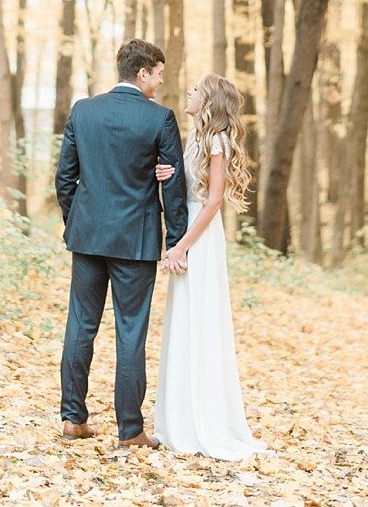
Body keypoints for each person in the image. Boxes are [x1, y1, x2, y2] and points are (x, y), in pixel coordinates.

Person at [55, 38, 189, 448]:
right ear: (142, 72)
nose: (160, 84)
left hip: (89, 237)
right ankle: (130, 430)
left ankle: (73, 418)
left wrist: (77, 222)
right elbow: (176, 187)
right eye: (159, 75)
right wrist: (176, 240)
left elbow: (64, 179)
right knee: (130, 332)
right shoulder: (160, 119)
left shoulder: (84, 110)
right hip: (136, 241)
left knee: (81, 324)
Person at [154, 73, 269, 460]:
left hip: (200, 239)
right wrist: (164, 176)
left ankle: (202, 422)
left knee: (199, 321)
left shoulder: (216, 139)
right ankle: (182, 418)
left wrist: (182, 247)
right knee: (185, 321)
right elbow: (193, 186)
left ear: (209, 100)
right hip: (190, 231)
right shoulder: (198, 138)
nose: (188, 92)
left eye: (195, 89)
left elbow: (214, 200)